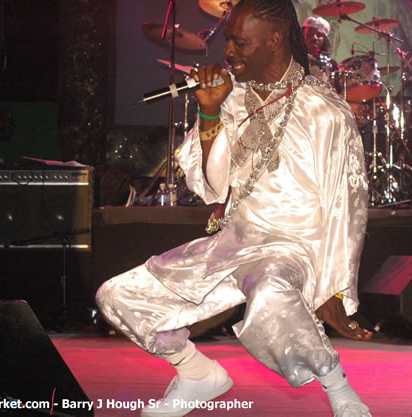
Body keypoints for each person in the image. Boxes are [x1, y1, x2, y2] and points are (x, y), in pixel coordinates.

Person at [96, 1, 371, 416]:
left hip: (291, 246)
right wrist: (210, 110)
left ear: (275, 40)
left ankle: (341, 392)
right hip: (233, 241)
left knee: (270, 292)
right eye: (228, 41)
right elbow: (213, 185)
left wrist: (334, 287)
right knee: (117, 296)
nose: (228, 54)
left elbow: (347, 205)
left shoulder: (324, 111)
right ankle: (195, 373)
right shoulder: (233, 99)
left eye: (240, 42)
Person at [302, 16, 335, 83]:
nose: (314, 37)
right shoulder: (292, 55)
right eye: (310, 33)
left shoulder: (330, 64)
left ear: (324, 40)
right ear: (302, 34)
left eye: (319, 34)